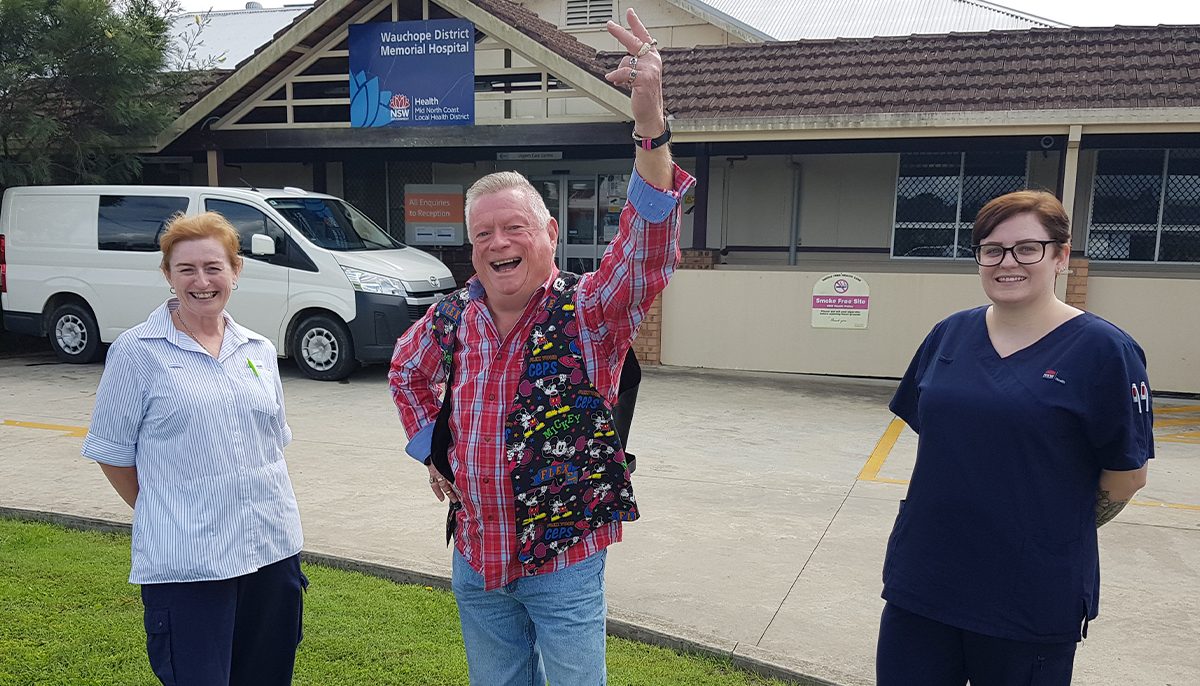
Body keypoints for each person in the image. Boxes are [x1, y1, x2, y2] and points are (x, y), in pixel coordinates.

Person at [388, 8, 693, 684]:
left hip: (564, 559)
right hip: (476, 553)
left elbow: (645, 254)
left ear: (549, 233)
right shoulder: (451, 318)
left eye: (515, 228)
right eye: (483, 234)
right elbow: (405, 374)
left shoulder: (588, 312)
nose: (498, 244)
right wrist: (430, 449)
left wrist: (649, 121)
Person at [876, 190, 1153, 685]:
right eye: (992, 249)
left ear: (1061, 256)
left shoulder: (1104, 350)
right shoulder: (949, 335)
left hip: (1028, 594)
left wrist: (1047, 530)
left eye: (1028, 248)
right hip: (925, 578)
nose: (1008, 262)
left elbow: (1127, 475)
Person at [82, 212, 305, 686]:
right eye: (186, 269)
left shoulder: (258, 350)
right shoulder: (137, 351)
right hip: (190, 563)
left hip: (271, 552)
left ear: (236, 271)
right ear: (167, 275)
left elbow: (271, 445)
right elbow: (112, 452)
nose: (201, 281)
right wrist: (164, 506)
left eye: (213, 267)